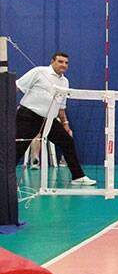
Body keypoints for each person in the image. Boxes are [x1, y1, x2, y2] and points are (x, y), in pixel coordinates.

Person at [15, 52, 96, 185]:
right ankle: (4, 177)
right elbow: (17, 86)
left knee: (67, 142)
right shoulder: (39, 71)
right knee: (18, 149)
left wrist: (65, 123)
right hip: (28, 116)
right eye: (60, 61)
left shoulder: (65, 82)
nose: (63, 65)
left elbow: (61, 107)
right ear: (52, 61)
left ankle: (78, 177)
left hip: (48, 120)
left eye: (66, 63)